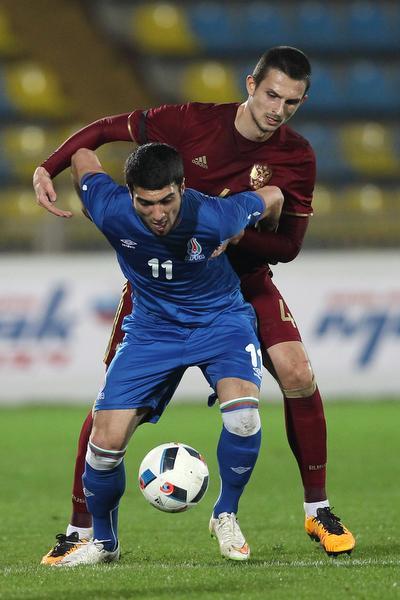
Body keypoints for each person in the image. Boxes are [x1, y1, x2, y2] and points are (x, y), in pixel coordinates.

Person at [34, 46, 355, 559]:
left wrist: (234, 237)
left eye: (291, 102)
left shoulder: (298, 156)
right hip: (161, 290)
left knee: (297, 373)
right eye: (272, 95)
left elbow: (289, 246)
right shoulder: (191, 122)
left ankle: (317, 509)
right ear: (250, 85)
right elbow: (102, 132)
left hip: (241, 281)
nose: (278, 110)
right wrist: (47, 167)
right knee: (108, 409)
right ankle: (80, 530)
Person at [45, 141, 283, 566]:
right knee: (104, 443)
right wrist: (51, 174)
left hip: (220, 321)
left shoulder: (217, 215)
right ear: (130, 194)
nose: (157, 214)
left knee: (243, 416)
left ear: (183, 188)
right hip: (152, 331)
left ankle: (225, 513)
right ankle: (104, 543)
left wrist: (254, 241)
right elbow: (82, 156)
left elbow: (274, 196)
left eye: (167, 201)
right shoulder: (109, 207)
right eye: (146, 203)